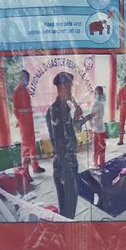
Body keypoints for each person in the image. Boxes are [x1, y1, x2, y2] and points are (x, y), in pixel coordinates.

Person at [45, 72, 83, 219]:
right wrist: (68, 170)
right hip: (65, 164)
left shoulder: (65, 108)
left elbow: (71, 131)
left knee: (69, 206)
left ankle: (66, 227)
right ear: (61, 87)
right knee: (68, 207)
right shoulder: (55, 110)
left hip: (69, 162)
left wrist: (77, 117)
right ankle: (67, 230)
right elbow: (60, 143)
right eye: (69, 87)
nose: (71, 90)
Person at [12, 70, 43, 175]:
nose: (28, 81)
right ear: (22, 78)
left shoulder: (25, 90)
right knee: (26, 145)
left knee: (32, 144)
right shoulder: (17, 91)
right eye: (26, 79)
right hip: (24, 122)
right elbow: (15, 109)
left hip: (29, 121)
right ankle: (25, 170)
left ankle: (35, 167)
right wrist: (20, 120)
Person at [87, 86, 107, 169]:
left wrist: (92, 126)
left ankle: (99, 164)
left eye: (100, 93)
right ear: (95, 93)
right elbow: (90, 116)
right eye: (98, 93)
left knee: (99, 148)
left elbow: (92, 116)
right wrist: (91, 126)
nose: (100, 94)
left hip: (100, 129)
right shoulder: (96, 104)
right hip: (98, 130)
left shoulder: (100, 103)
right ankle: (98, 164)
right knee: (99, 148)